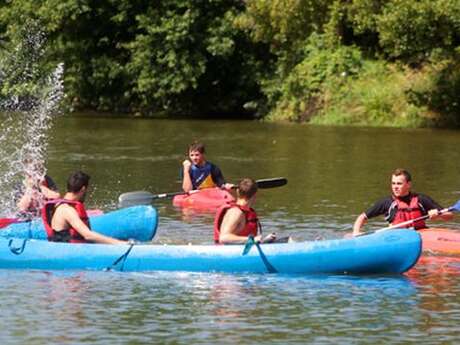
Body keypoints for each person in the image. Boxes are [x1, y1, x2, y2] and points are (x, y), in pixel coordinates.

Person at [352, 168, 454, 236]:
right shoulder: (386, 203)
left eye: (399, 184)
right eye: (393, 183)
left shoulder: (421, 199)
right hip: (398, 237)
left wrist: (438, 215)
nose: (395, 187)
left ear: (408, 184)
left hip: (421, 234)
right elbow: (362, 217)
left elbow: (450, 215)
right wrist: (356, 232)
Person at [42, 170, 126, 244]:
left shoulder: (60, 205)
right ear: (83, 189)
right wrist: (120, 243)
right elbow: (87, 235)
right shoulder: (67, 210)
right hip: (67, 253)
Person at [214, 177, 276, 244]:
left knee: (287, 240)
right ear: (255, 195)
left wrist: (264, 240)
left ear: (238, 192)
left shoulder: (243, 211)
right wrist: (252, 239)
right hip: (228, 253)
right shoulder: (236, 212)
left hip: (241, 249)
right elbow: (224, 238)